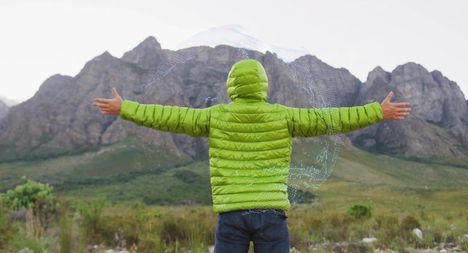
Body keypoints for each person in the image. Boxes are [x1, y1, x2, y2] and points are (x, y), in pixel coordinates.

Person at [93, 59, 411, 253]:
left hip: (231, 215)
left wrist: (125, 108)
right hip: (271, 215)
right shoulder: (283, 116)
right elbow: (332, 119)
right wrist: (376, 112)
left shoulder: (215, 116)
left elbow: (167, 117)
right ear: (263, 86)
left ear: (232, 87)